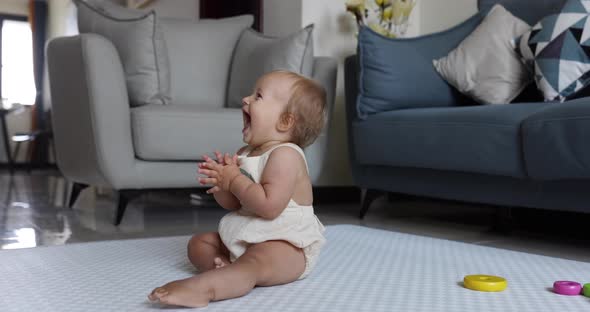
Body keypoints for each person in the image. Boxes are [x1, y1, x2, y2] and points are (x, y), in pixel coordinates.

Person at [148, 70, 327, 308]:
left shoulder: (286, 155)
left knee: (254, 263)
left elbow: (269, 207)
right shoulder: (246, 154)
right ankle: (225, 269)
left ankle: (206, 288)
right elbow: (236, 204)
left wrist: (235, 180)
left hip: (285, 245)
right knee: (199, 244)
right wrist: (223, 185)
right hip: (249, 236)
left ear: (285, 121)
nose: (246, 99)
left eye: (258, 96)